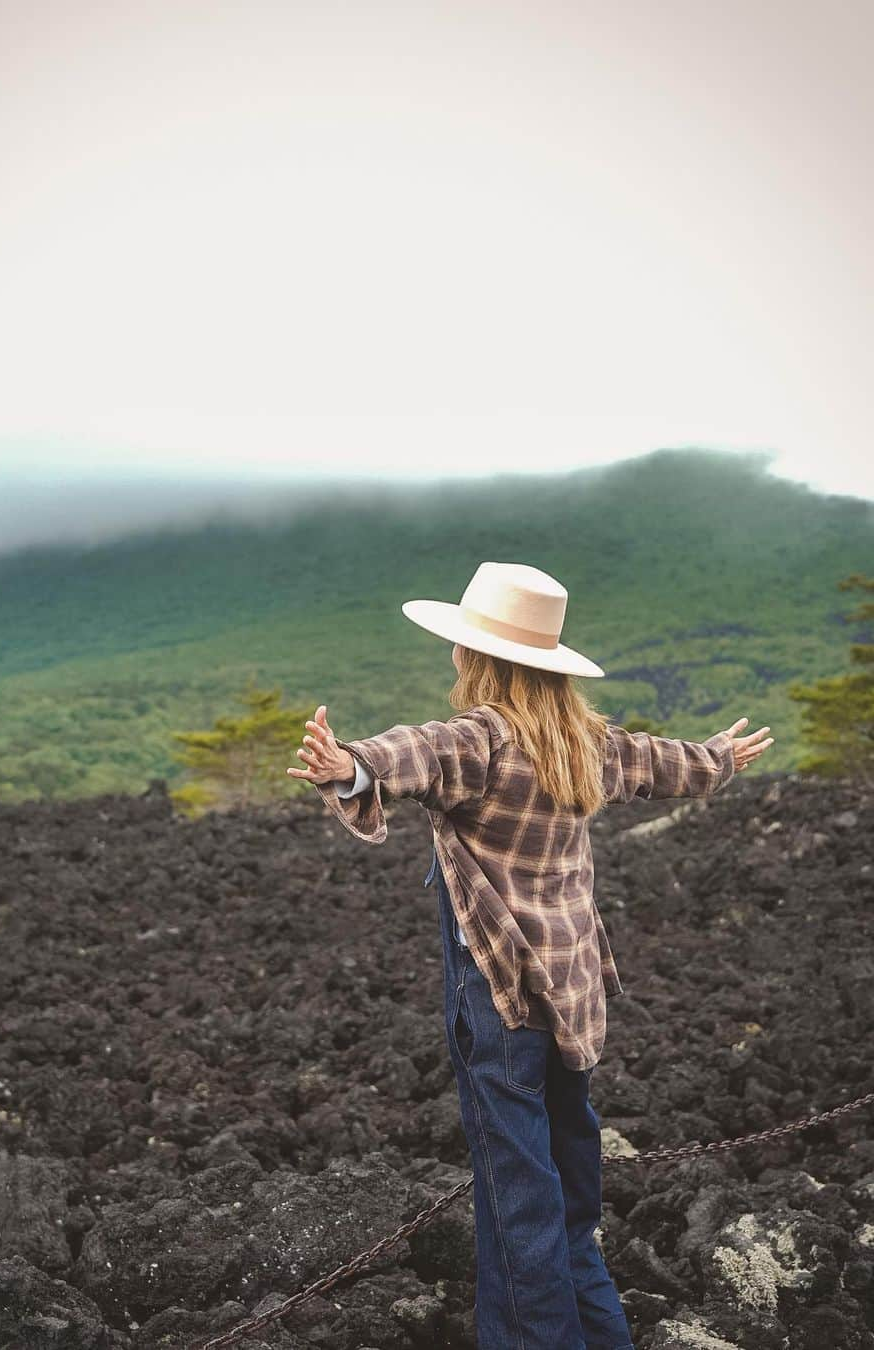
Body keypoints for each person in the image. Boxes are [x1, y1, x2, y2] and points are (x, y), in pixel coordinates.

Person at [286, 561, 774, 1350]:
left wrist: (351, 765)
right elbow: (665, 762)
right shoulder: (587, 744)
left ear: (477, 659)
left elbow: (415, 750)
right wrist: (717, 756)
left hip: (503, 997)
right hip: (576, 1000)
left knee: (519, 1200)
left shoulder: (481, 740)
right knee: (569, 1190)